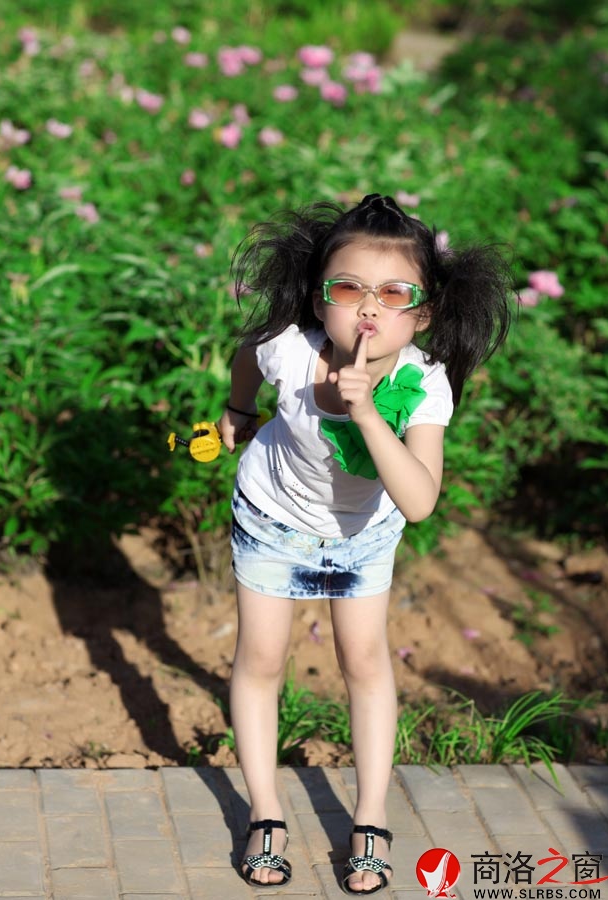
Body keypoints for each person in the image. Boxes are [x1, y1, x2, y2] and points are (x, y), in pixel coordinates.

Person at [216, 193, 514, 893]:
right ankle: (265, 813)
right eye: (347, 289)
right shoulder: (290, 350)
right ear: (319, 301)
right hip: (272, 520)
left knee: (366, 663)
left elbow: (419, 501)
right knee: (261, 660)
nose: (369, 309)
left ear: (424, 313)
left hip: (362, 539)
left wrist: (368, 415)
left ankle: (370, 819)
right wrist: (237, 409)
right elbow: (246, 355)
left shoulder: (423, 385)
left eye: (394, 293)